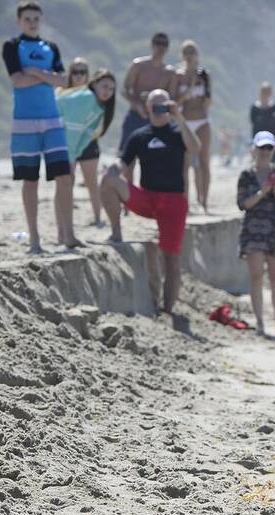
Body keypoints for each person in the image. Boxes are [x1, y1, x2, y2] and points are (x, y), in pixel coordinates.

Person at [99, 89, 199, 315]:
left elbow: (195, 148)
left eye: (164, 105)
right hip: (147, 197)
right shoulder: (140, 135)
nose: (160, 110)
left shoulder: (177, 132)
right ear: (147, 109)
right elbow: (123, 162)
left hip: (173, 200)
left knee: (171, 258)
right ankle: (116, 230)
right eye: (155, 106)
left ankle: (168, 308)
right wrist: (115, 166)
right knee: (108, 180)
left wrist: (179, 117)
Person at [2, 0, 77, 253]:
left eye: (36, 18)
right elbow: (16, 80)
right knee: (30, 180)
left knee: (64, 177)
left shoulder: (51, 47)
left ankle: (68, 235)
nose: (32, 23)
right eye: (27, 19)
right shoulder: (12, 46)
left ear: (41, 20)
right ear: (19, 21)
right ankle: (34, 239)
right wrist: (47, 77)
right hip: (24, 122)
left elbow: (64, 80)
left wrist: (34, 71)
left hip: (52, 119)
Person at [237, 131, 275, 337]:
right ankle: (260, 323)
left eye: (269, 148)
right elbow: (243, 204)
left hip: (274, 229)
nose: (265, 152)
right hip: (253, 230)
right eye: (262, 148)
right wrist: (262, 192)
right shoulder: (246, 175)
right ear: (255, 148)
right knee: (256, 277)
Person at [58, 63, 116, 228]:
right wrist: (70, 160)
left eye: (111, 89)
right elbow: (73, 132)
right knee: (64, 183)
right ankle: (62, 232)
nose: (108, 92)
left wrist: (73, 156)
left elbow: (85, 135)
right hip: (54, 134)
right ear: (94, 84)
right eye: (104, 86)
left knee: (82, 182)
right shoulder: (86, 98)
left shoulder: (100, 106)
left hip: (74, 144)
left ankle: (93, 220)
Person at [119, 32, 175, 154]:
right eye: (158, 43)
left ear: (168, 47)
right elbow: (125, 89)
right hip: (135, 115)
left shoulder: (169, 72)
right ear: (152, 45)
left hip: (157, 118)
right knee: (126, 155)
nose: (161, 47)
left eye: (164, 44)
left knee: (155, 156)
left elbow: (171, 97)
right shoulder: (138, 65)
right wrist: (137, 104)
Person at [175, 40, 212, 213]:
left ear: (197, 55)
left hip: (202, 121)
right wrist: (189, 88)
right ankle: (185, 203)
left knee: (204, 162)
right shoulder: (177, 75)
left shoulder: (204, 75)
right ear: (182, 55)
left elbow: (209, 101)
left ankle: (203, 200)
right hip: (186, 122)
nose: (189, 56)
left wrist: (203, 88)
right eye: (186, 52)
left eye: (192, 52)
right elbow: (176, 101)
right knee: (185, 165)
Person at [249, 82, 275, 150]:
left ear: (270, 93)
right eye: (263, 91)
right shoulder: (254, 107)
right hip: (258, 141)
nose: (265, 94)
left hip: (272, 141)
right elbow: (253, 121)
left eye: (267, 92)